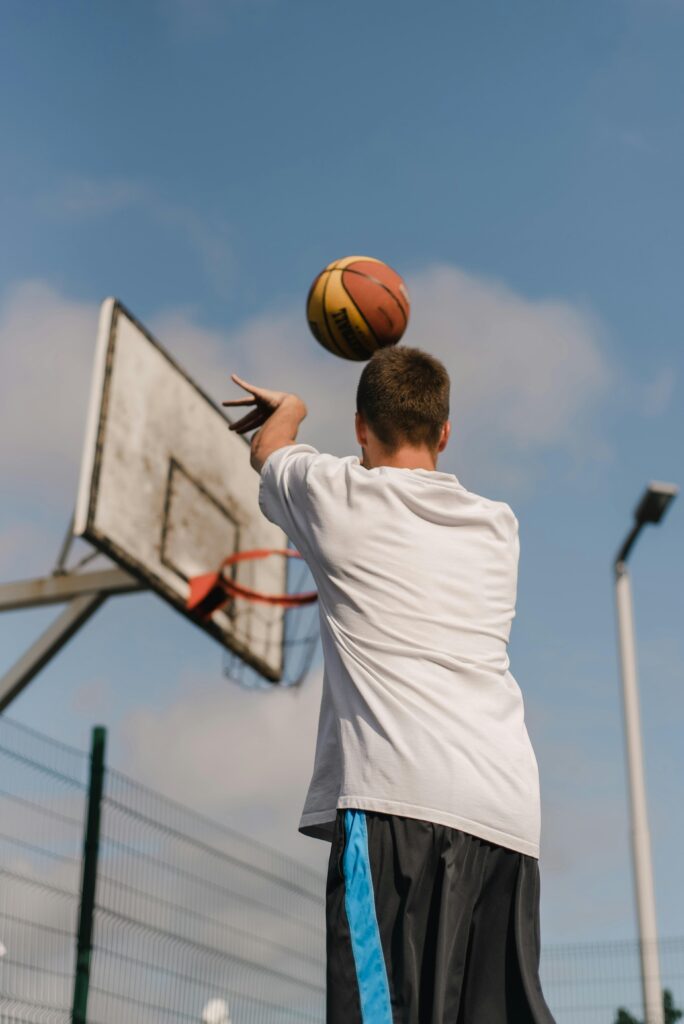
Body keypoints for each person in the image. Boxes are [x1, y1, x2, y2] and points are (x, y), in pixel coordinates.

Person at [224, 346, 556, 1024]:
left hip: (397, 801)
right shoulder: (499, 528)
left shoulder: (337, 497)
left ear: (360, 427)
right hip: (507, 816)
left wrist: (289, 411)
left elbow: (269, 451)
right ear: (445, 433)